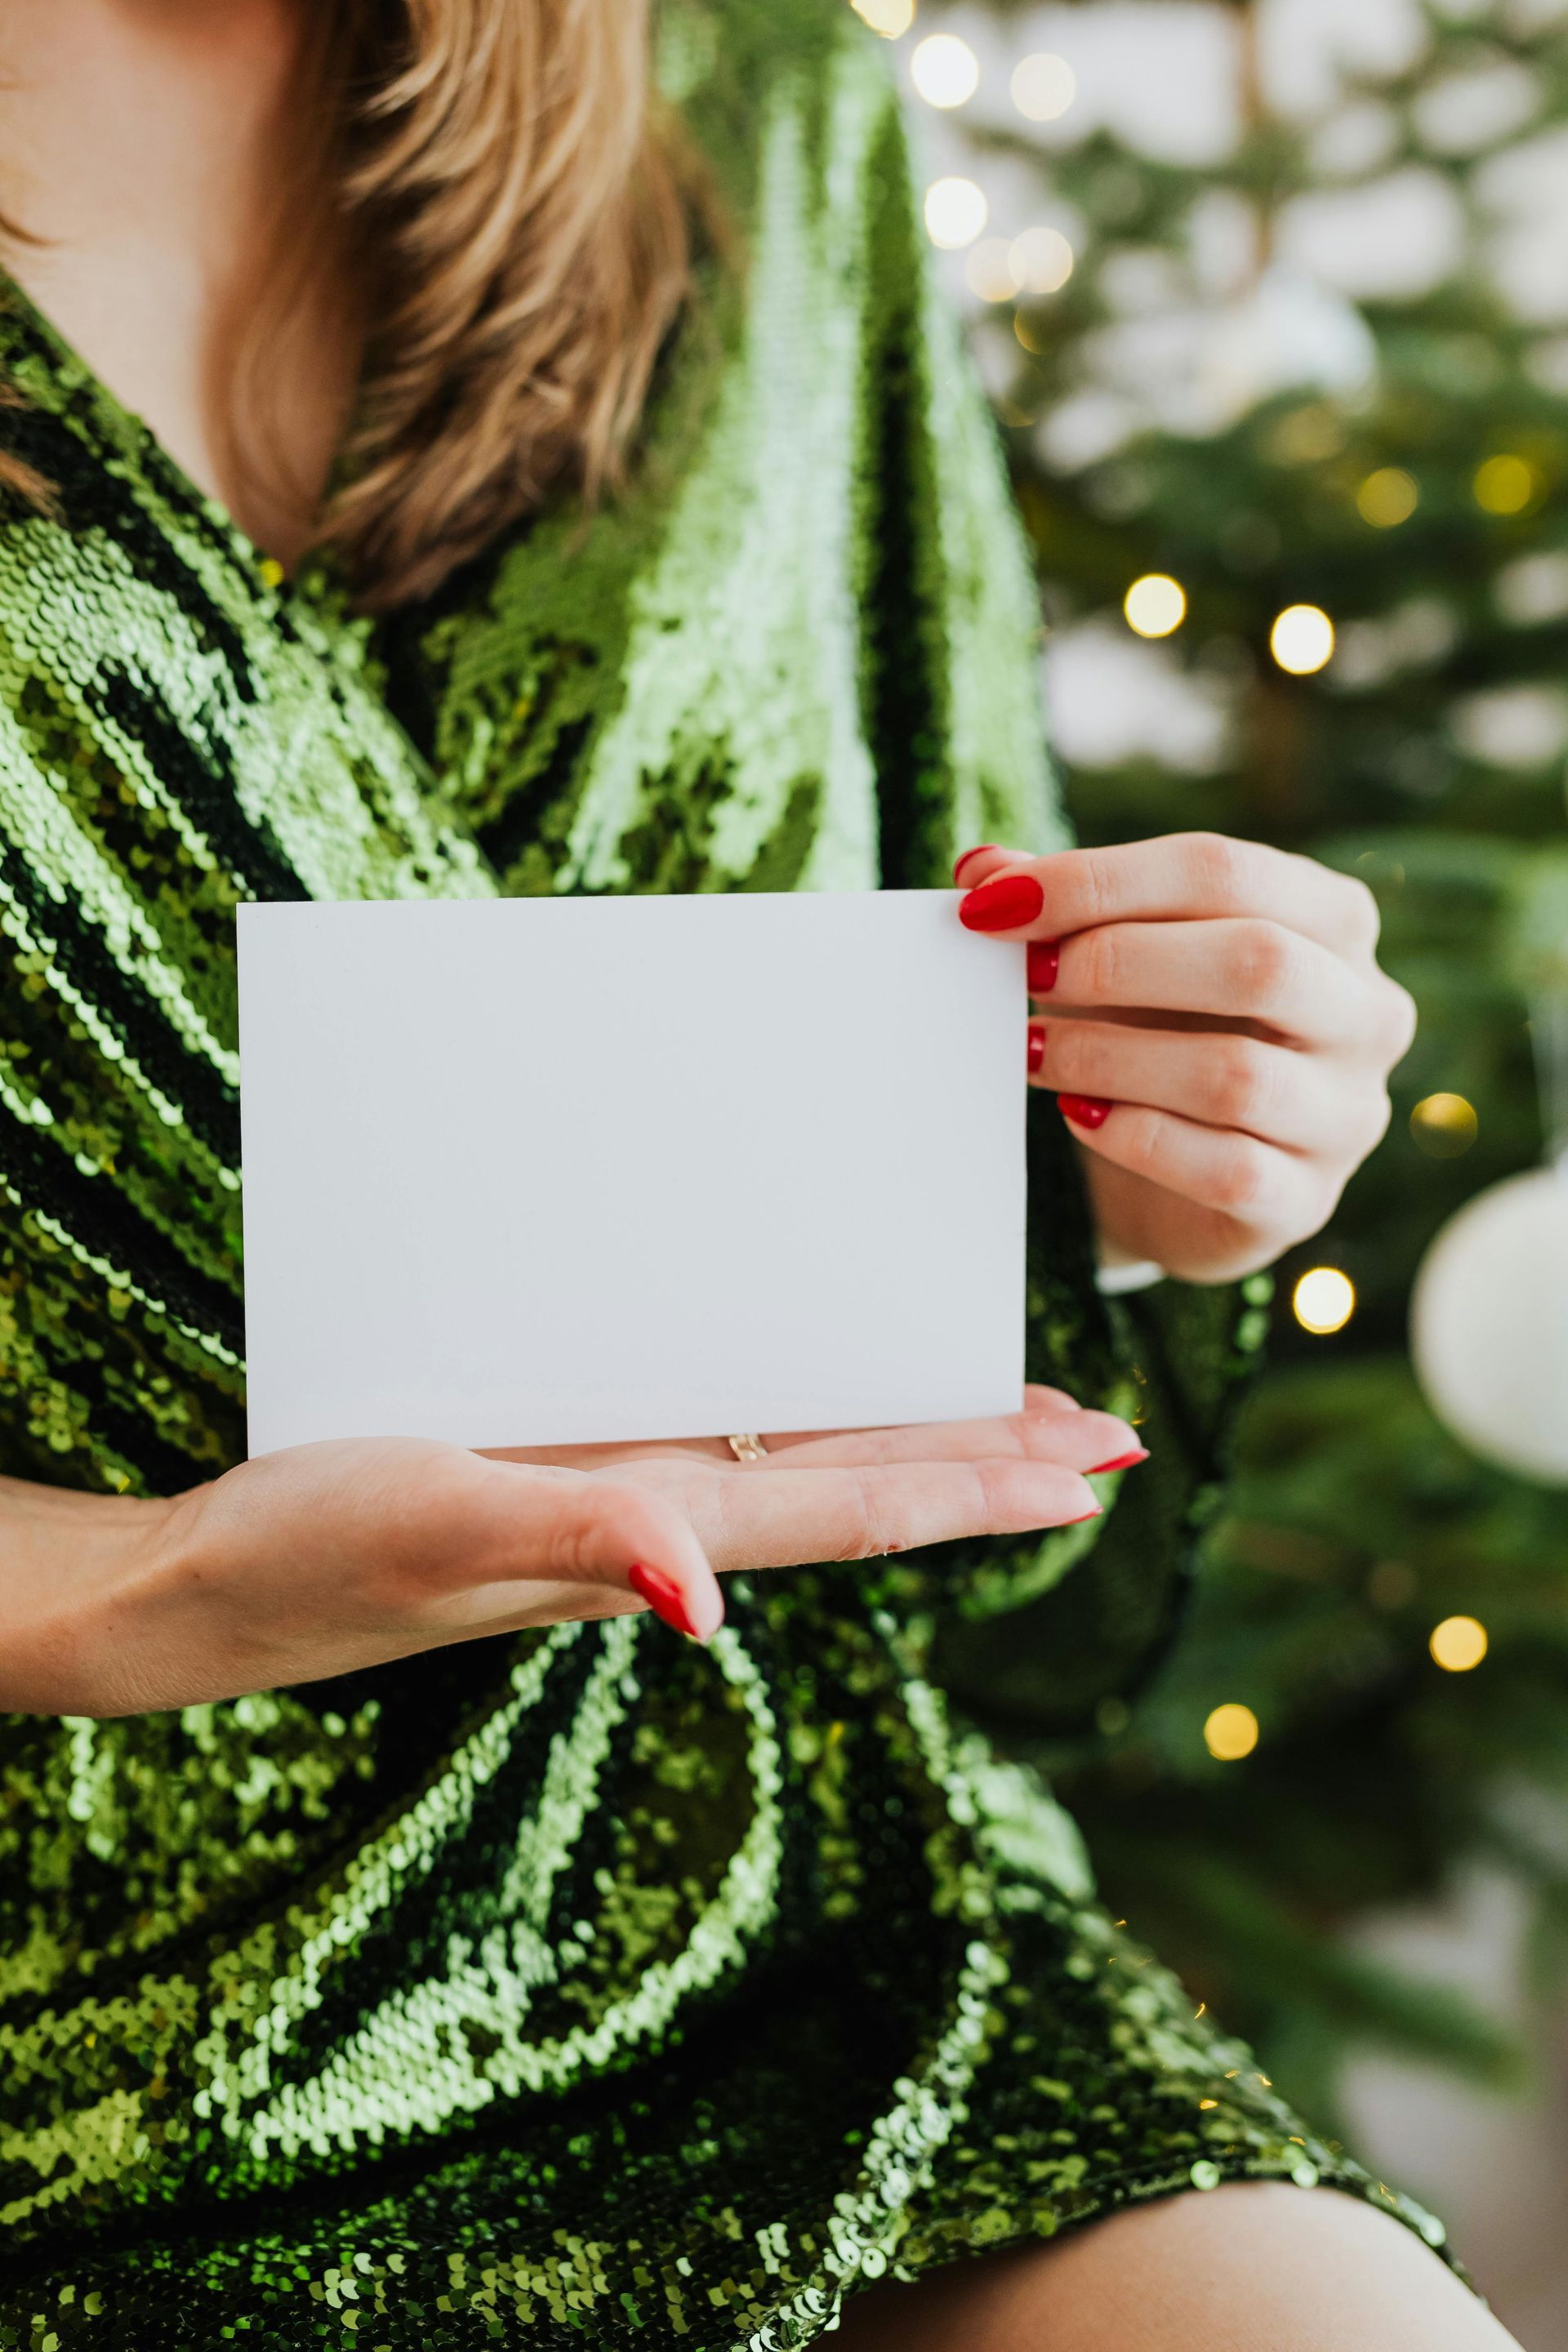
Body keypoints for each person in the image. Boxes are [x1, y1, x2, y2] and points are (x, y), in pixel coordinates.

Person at [0, 3, 1521, 2348]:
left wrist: (1153, 1177)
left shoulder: (756, 100)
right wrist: (126, 1592)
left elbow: (960, 1038)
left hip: (776, 1925)